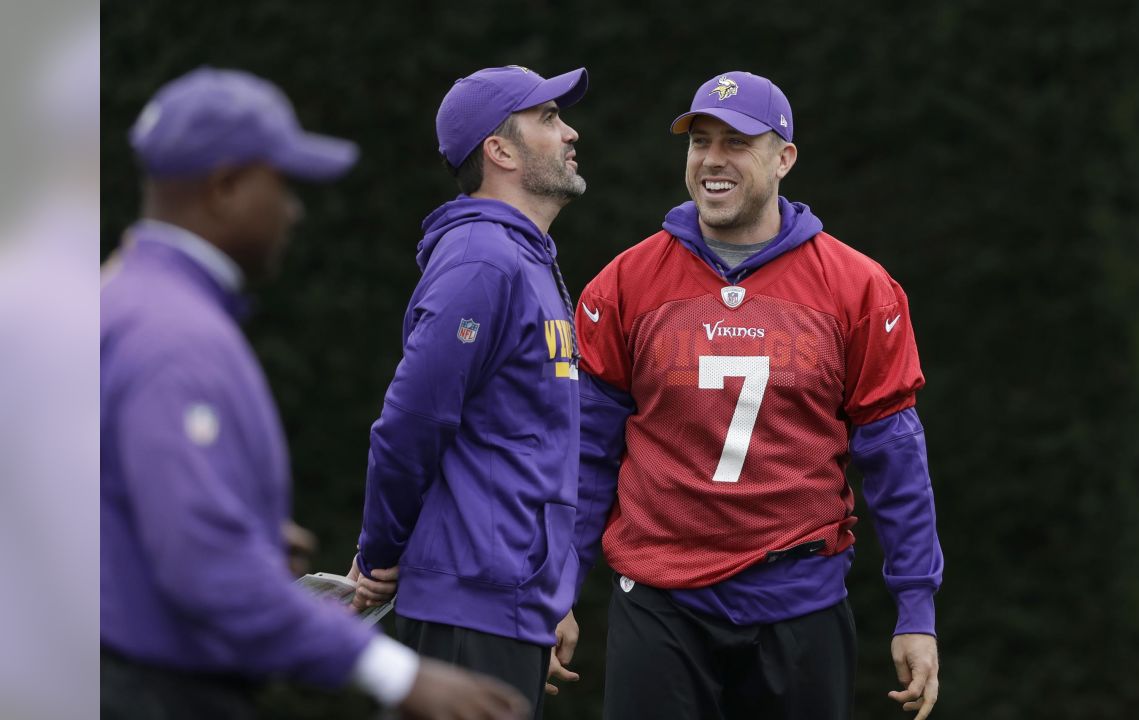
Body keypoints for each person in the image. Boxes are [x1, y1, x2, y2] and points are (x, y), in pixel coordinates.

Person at [100, 67, 529, 720]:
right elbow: (203, 564)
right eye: (284, 185)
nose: (294, 212)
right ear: (225, 187)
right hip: (153, 692)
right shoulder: (177, 337)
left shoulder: (117, 299)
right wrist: (400, 676)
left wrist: (246, 526)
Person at [572, 71, 945, 720]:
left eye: (737, 141)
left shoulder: (858, 288)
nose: (713, 158)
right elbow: (584, 454)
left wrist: (917, 608)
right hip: (661, 601)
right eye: (700, 141)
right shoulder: (624, 284)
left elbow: (895, 458)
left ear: (785, 158)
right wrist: (557, 589)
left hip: (798, 601)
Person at [348, 65, 588, 719]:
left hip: (506, 601)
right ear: (499, 150)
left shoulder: (523, 258)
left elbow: (531, 442)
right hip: (470, 603)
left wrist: (550, 591)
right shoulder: (483, 261)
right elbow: (411, 421)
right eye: (547, 118)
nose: (570, 132)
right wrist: (380, 554)